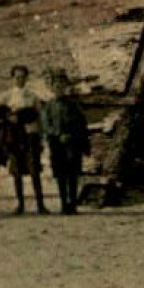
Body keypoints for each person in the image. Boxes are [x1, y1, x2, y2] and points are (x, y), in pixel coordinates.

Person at [0, 65, 49, 215]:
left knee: (34, 170)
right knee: (17, 171)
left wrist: (40, 137)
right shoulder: (7, 96)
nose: (20, 80)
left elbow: (40, 118)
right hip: (14, 137)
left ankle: (40, 204)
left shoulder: (32, 96)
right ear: (12, 78)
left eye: (23, 77)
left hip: (30, 135)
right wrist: (8, 117)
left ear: (27, 78)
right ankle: (20, 205)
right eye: (17, 77)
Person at [40, 70, 91, 215]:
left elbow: (82, 123)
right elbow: (46, 125)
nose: (59, 88)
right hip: (56, 145)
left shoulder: (73, 105)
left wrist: (73, 136)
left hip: (72, 143)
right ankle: (63, 204)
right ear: (52, 88)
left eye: (62, 85)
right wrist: (58, 134)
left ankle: (73, 204)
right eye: (56, 86)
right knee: (60, 174)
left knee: (73, 174)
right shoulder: (48, 106)